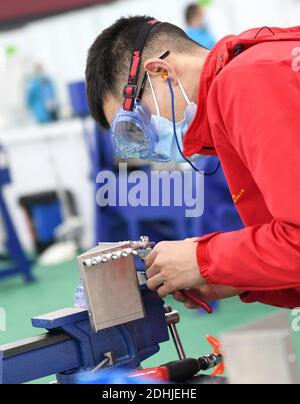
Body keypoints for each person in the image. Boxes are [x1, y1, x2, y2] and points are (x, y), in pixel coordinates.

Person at [85, 17, 300, 310]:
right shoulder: (259, 66)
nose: (146, 142)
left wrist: (203, 257)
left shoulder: (244, 83)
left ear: (162, 72)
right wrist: (237, 275)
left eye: (136, 124)